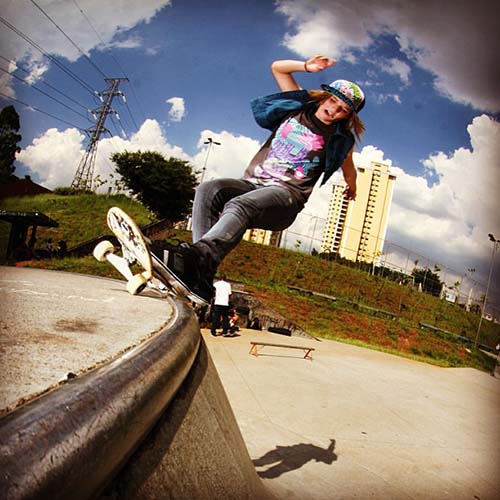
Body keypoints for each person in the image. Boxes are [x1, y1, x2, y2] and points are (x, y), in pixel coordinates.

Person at [154, 54, 365, 303]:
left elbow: (348, 168)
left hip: (287, 198)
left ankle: (195, 259)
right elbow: (278, 68)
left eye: (342, 110)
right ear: (325, 97)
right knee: (209, 190)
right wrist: (307, 67)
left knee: (241, 204)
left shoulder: (340, 139)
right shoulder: (297, 107)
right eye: (333, 102)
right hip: (253, 184)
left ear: (347, 116)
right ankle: (199, 275)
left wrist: (352, 187)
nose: (333, 110)